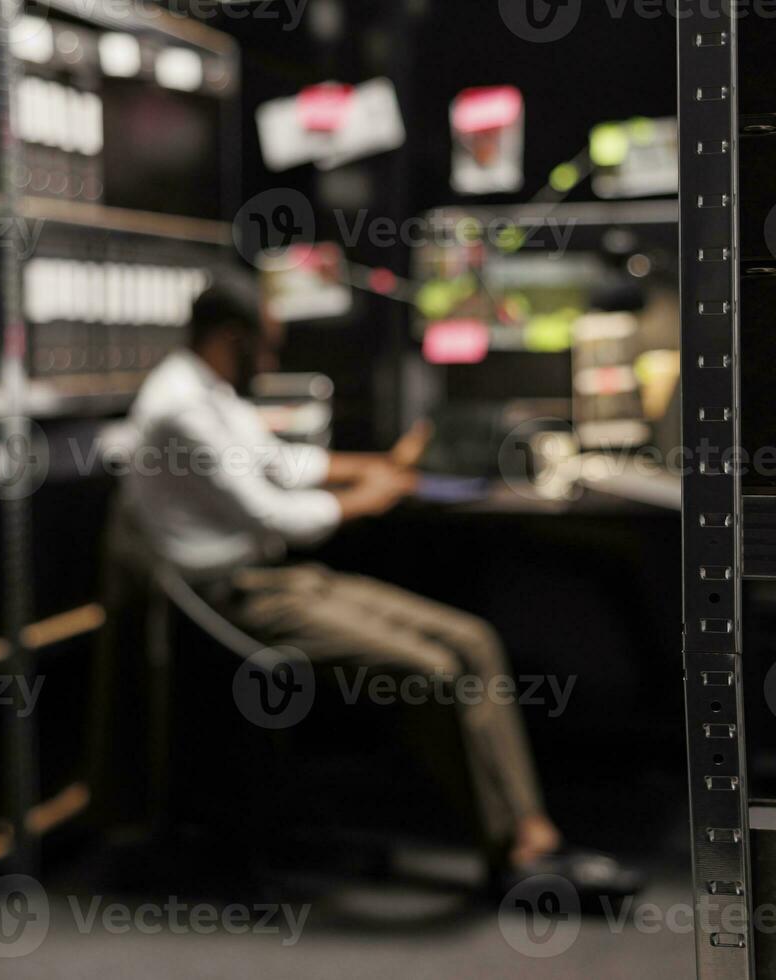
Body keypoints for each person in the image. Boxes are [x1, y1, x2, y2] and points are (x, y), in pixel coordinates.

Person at [124, 274, 640, 897]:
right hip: (232, 598)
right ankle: (516, 854)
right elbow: (276, 514)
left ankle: (533, 832)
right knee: (435, 669)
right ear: (232, 339)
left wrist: (372, 466)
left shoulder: (208, 389)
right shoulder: (180, 406)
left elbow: (279, 462)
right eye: (265, 347)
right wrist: (369, 497)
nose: (270, 360)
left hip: (276, 577)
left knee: (472, 638)